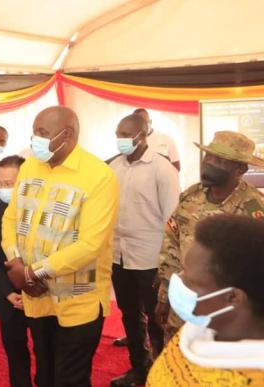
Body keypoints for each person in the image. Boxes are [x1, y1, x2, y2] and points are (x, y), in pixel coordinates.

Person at [2, 106, 120, 387]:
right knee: (44, 374)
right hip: (37, 297)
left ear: (66, 135)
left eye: (42, 133)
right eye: (34, 132)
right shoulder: (30, 166)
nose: (35, 139)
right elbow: (10, 218)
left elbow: (91, 244)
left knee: (70, 379)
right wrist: (17, 264)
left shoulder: (99, 176)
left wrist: (32, 274)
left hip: (77, 301)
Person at [155, 130, 264, 343]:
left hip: (224, 316)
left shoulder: (253, 210)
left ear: (240, 169)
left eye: (220, 160)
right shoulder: (191, 196)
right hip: (183, 306)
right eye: (209, 157)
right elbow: (171, 246)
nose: (209, 163)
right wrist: (165, 296)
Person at [147, 214, 264, 386]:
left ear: (232, 297)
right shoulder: (199, 327)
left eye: (192, 281)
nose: (179, 281)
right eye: (183, 271)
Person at [108, 115, 180, 386]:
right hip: (119, 256)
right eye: (118, 132)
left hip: (151, 258)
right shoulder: (114, 166)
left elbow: (172, 221)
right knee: (129, 314)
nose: (121, 138)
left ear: (143, 134)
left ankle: (162, 375)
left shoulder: (161, 168)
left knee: (157, 318)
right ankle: (140, 369)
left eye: (126, 133)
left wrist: (166, 267)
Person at [0, 155, 32, 387]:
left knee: (46, 350)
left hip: (42, 296)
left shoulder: (41, 213)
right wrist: (8, 292)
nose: (3, 189)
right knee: (15, 351)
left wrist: (31, 289)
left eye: (10, 184)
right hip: (8, 298)